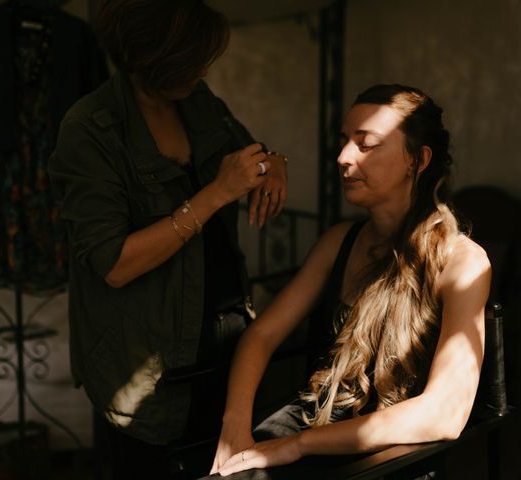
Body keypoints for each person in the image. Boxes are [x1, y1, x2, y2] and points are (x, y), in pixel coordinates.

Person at [48, 0, 288, 477]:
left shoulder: (199, 100)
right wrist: (216, 193)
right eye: (192, 59)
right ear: (154, 58)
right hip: (146, 356)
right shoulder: (91, 130)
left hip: (224, 334)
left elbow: (248, 152)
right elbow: (115, 265)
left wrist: (274, 161)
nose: (203, 69)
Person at [210, 84, 491, 477]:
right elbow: (261, 337)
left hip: (394, 453)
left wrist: (298, 445)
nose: (343, 157)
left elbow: (445, 413)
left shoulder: (463, 263)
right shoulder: (339, 242)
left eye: (367, 144)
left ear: (419, 159)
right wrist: (234, 428)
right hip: (316, 419)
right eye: (344, 141)